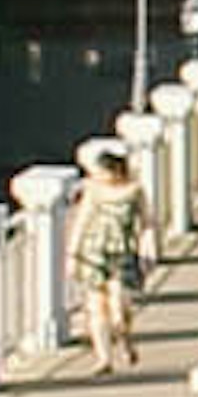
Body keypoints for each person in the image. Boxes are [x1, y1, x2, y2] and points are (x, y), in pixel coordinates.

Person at [73, 137, 149, 372]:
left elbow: (146, 222)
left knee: (118, 307)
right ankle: (103, 358)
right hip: (93, 252)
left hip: (122, 252)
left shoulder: (134, 191)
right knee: (96, 307)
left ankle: (124, 340)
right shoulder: (93, 190)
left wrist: (148, 249)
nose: (101, 175)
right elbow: (82, 220)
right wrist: (72, 252)